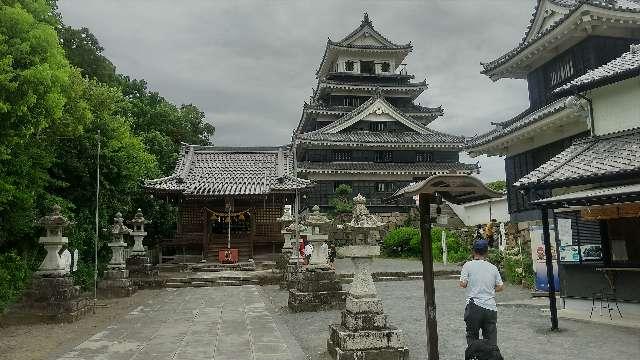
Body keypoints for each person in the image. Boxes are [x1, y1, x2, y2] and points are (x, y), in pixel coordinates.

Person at [459, 239, 504, 347]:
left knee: (472, 337)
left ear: (473, 251)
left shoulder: (468, 265)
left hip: (474, 306)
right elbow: (501, 286)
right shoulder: (493, 268)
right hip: (490, 307)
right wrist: (490, 290)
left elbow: (463, 284)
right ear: (487, 252)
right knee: (491, 340)